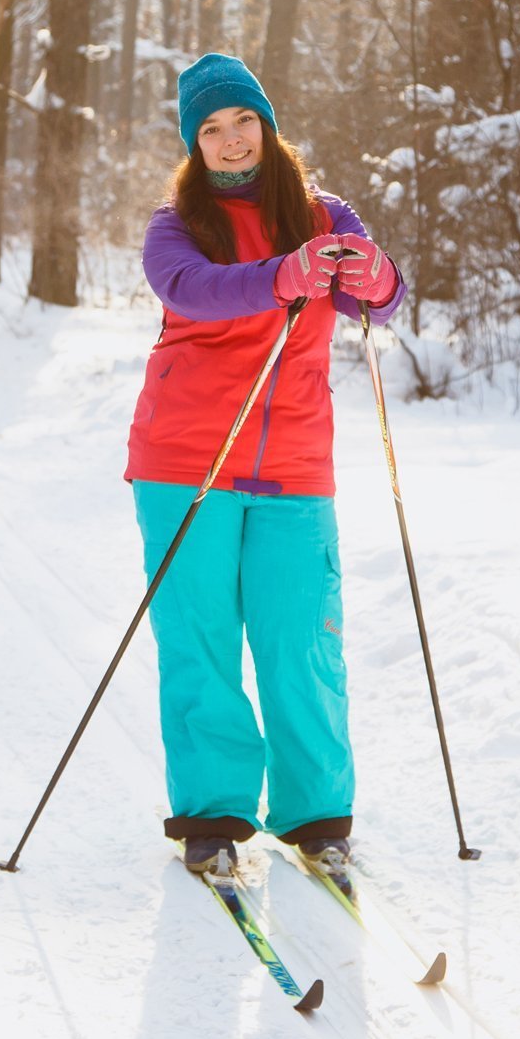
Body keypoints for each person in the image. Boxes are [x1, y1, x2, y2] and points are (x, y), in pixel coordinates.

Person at [126, 53, 407, 882]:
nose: (230, 139)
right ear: (194, 144)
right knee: (201, 640)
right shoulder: (175, 223)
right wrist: (283, 275)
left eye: (241, 119)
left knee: (302, 640)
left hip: (292, 463)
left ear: (267, 123)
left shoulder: (324, 214)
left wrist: (375, 276)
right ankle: (212, 816)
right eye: (210, 129)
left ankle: (317, 815)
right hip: (186, 462)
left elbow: (378, 300)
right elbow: (194, 290)